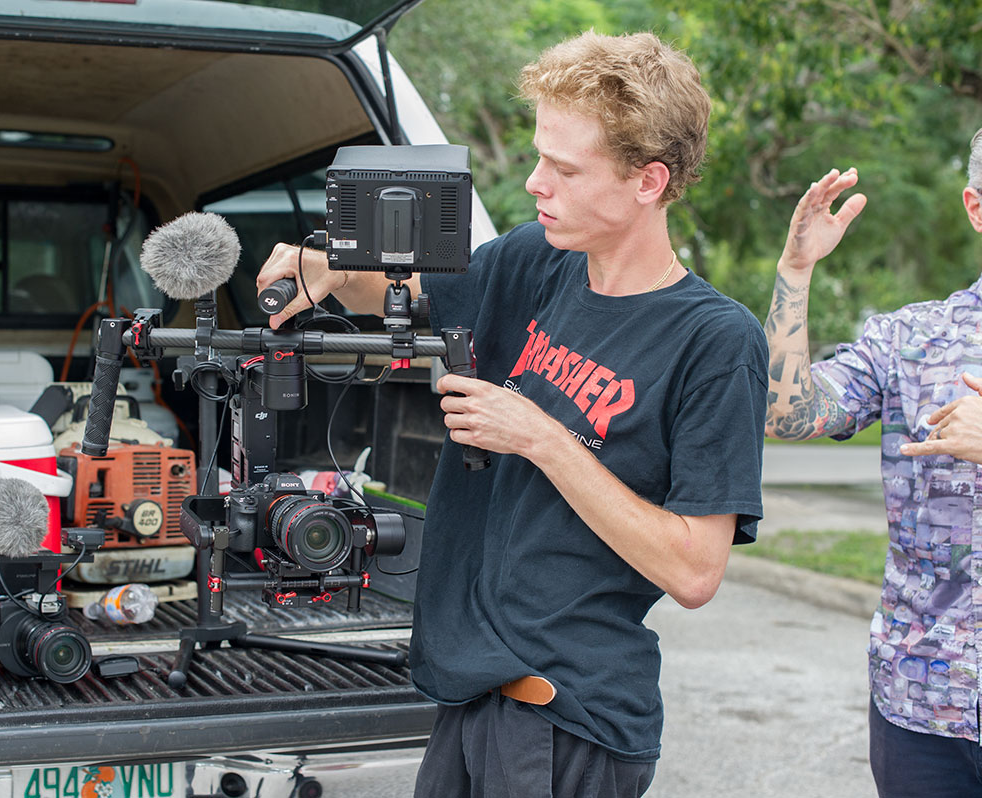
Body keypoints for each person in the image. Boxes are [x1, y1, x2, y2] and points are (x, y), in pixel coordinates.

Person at [258, 31, 768, 798]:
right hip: (471, 696)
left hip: (568, 721)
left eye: (564, 169)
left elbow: (695, 570)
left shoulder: (715, 340)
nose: (536, 183)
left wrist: (542, 438)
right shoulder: (533, 260)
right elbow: (397, 295)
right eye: (538, 157)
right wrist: (329, 266)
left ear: (648, 181)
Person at [763, 128, 982, 797]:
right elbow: (789, 414)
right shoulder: (909, 339)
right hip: (921, 704)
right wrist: (795, 275)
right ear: (976, 209)